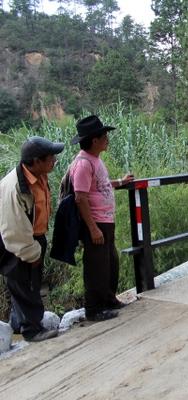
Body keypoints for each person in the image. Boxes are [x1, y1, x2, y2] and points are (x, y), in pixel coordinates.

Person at [69, 115, 134, 322]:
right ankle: (93, 309)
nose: (107, 139)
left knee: (109, 262)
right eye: (104, 136)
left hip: (105, 221)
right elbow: (80, 198)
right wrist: (93, 228)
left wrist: (120, 182)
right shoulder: (83, 164)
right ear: (94, 140)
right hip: (96, 222)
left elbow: (100, 185)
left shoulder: (94, 160)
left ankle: (108, 299)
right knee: (96, 266)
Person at [0, 137, 64, 342]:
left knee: (28, 283)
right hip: (18, 244)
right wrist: (31, 252)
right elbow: (13, 229)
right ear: (36, 161)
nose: (54, 160)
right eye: (51, 157)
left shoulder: (38, 175)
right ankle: (32, 330)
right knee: (25, 286)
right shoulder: (15, 187)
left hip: (34, 238)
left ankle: (18, 325)